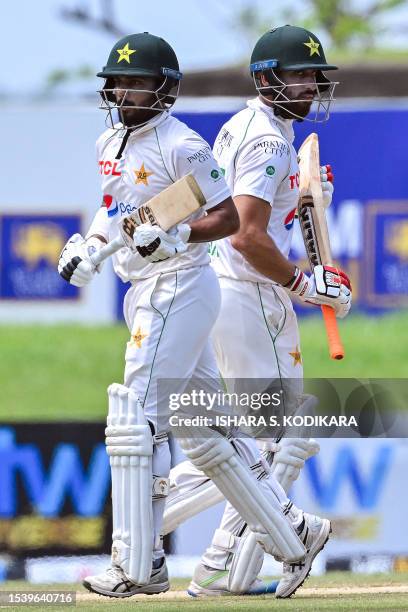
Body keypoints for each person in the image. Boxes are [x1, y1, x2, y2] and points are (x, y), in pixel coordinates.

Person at [58, 31, 315, 599]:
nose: (125, 92)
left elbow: (225, 220)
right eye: (118, 82)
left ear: (165, 89)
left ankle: (139, 562)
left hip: (180, 285)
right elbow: (113, 210)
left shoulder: (184, 144)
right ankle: (295, 532)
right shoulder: (111, 140)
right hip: (145, 285)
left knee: (137, 416)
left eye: (137, 82)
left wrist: (176, 233)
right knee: (209, 431)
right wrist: (88, 246)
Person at [162, 25, 352, 598]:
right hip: (248, 294)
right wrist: (303, 281)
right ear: (267, 79)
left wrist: (302, 195)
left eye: (317, 76)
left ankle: (205, 562)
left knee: (248, 439)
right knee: (267, 439)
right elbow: (246, 235)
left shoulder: (249, 126)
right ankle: (171, 538)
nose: (314, 86)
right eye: (301, 75)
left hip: (228, 291)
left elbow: (256, 214)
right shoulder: (269, 139)